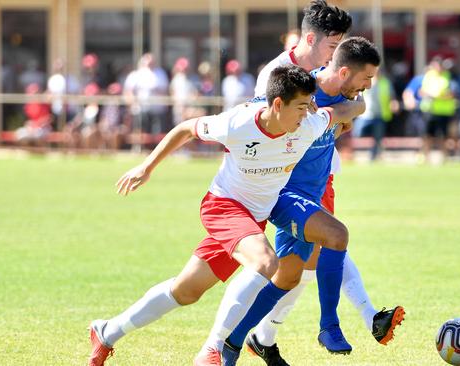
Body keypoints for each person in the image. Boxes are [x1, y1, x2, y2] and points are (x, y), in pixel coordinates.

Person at [87, 64, 364, 366]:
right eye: (300, 107)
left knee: (187, 290)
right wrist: (146, 167)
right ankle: (214, 348)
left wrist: (356, 104)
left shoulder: (308, 124)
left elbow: (344, 112)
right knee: (266, 262)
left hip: (258, 215)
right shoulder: (237, 123)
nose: (305, 113)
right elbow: (185, 129)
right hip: (224, 207)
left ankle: (107, 332)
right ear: (277, 104)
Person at [211, 38, 403, 366]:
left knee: (289, 276)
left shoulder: (345, 95)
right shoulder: (303, 88)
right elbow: (259, 109)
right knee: (336, 235)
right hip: (283, 193)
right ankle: (329, 325)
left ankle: (234, 340)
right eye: (366, 78)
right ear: (344, 72)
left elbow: (347, 119)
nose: (369, 86)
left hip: (310, 194)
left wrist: (348, 110)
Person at [353, 69, 399, 160]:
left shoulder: (386, 83)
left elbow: (392, 97)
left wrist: (393, 104)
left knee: (378, 138)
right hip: (365, 114)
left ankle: (373, 156)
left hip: (380, 115)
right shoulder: (365, 82)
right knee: (357, 132)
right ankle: (351, 153)